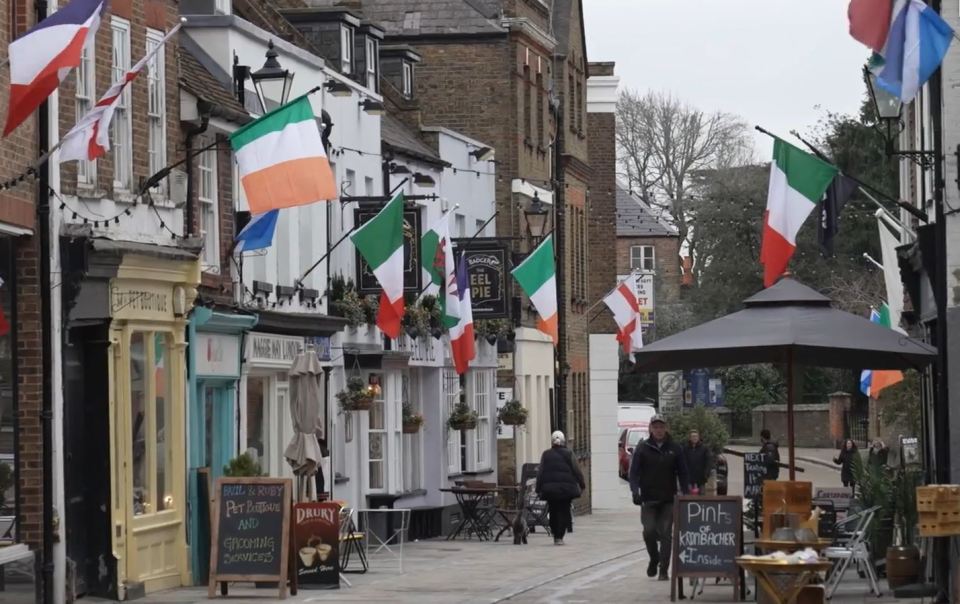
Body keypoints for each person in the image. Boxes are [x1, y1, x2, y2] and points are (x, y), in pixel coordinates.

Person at [629, 414, 689, 580]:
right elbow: (634, 473)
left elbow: (683, 473)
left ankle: (663, 569)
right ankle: (654, 559)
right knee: (648, 532)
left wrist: (686, 493)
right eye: (655, 427)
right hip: (648, 499)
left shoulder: (675, 448)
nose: (659, 430)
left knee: (665, 534)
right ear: (650, 429)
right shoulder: (643, 448)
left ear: (666, 428)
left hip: (668, 499)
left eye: (661, 427)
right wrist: (635, 491)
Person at [535, 431, 585, 545]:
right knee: (564, 510)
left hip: (550, 490)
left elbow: (540, 472)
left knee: (553, 511)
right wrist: (582, 484)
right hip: (566, 489)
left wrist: (538, 488)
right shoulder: (569, 454)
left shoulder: (546, 454)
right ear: (563, 441)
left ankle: (555, 533)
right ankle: (560, 536)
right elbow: (576, 470)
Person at [682, 430, 711, 494]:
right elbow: (683, 462)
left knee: (701, 497)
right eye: (693, 436)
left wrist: (706, 474)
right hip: (689, 478)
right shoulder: (685, 448)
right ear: (690, 438)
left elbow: (708, 462)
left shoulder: (704, 448)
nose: (694, 438)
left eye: (696, 436)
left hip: (701, 478)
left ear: (699, 437)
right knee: (688, 496)